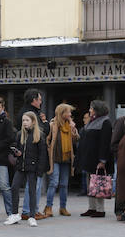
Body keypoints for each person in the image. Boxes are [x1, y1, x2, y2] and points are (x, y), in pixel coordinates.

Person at [6, 111, 48, 227]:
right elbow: (16, 149)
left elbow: (42, 155)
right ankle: (14, 214)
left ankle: (32, 216)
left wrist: (39, 171)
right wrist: (15, 152)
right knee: (14, 187)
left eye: (27, 120)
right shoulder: (20, 134)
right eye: (23, 120)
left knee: (32, 191)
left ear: (33, 121)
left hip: (33, 168)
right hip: (21, 166)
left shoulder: (39, 135)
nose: (24, 122)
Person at [76, 100, 113, 218]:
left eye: (91, 108)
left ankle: (100, 209)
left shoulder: (105, 122)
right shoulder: (91, 122)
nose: (90, 110)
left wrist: (102, 160)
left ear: (97, 110)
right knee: (90, 185)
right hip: (89, 159)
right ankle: (91, 208)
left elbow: (105, 143)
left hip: (98, 160)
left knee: (98, 184)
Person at [20, 89, 49, 221]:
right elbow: (43, 132)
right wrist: (46, 122)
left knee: (33, 184)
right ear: (34, 100)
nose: (41, 102)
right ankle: (29, 210)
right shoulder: (32, 114)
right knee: (34, 185)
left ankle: (30, 209)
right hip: (34, 155)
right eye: (39, 99)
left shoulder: (29, 112)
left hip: (29, 155)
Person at [44, 103, 78, 217]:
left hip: (66, 158)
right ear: (62, 113)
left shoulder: (70, 125)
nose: (70, 114)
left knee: (64, 184)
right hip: (55, 158)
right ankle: (48, 207)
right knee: (54, 183)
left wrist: (73, 129)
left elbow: (76, 140)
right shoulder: (53, 124)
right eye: (68, 112)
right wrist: (49, 150)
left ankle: (63, 207)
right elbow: (47, 139)